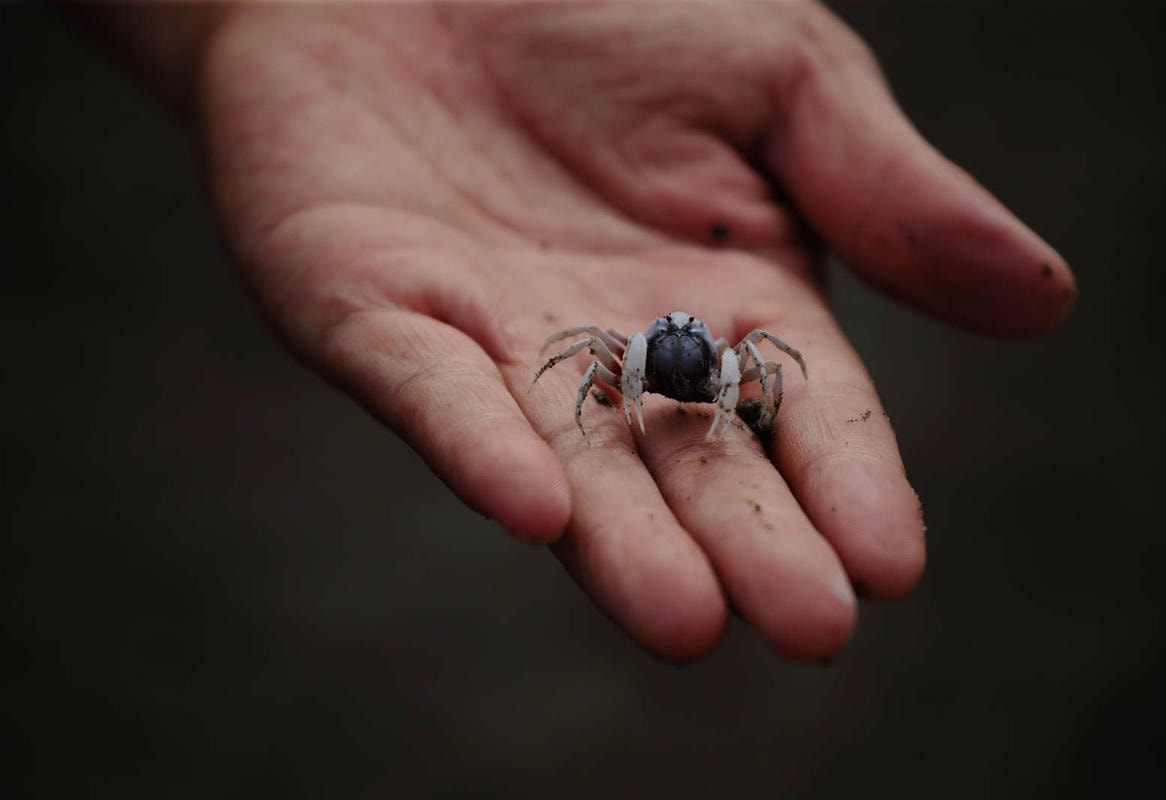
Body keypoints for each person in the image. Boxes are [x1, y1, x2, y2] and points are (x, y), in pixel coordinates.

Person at [79, 1, 1075, 662]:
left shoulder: (723, 355)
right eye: (671, 332)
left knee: (771, 372)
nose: (685, 333)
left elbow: (763, 364)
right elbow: (587, 354)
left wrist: (733, 412)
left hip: (699, 394)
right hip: (642, 378)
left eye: (691, 333)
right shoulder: (627, 351)